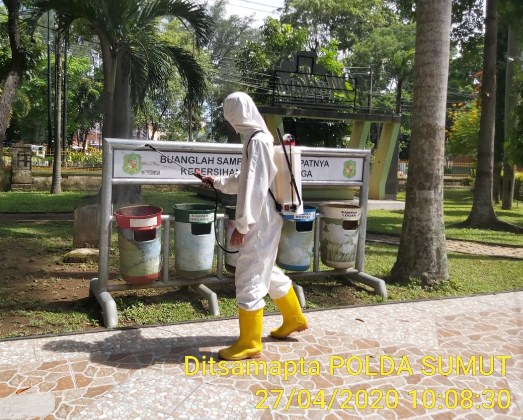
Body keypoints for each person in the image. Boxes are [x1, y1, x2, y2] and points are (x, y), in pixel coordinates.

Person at [201, 92, 309, 361]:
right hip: (264, 218)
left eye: (230, 115)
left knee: (249, 272)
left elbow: (255, 187)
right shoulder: (256, 138)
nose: (230, 121)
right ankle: (294, 317)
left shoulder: (258, 141)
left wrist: (242, 224)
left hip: (259, 220)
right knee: (265, 269)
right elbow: (244, 178)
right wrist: (216, 181)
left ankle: (250, 342)